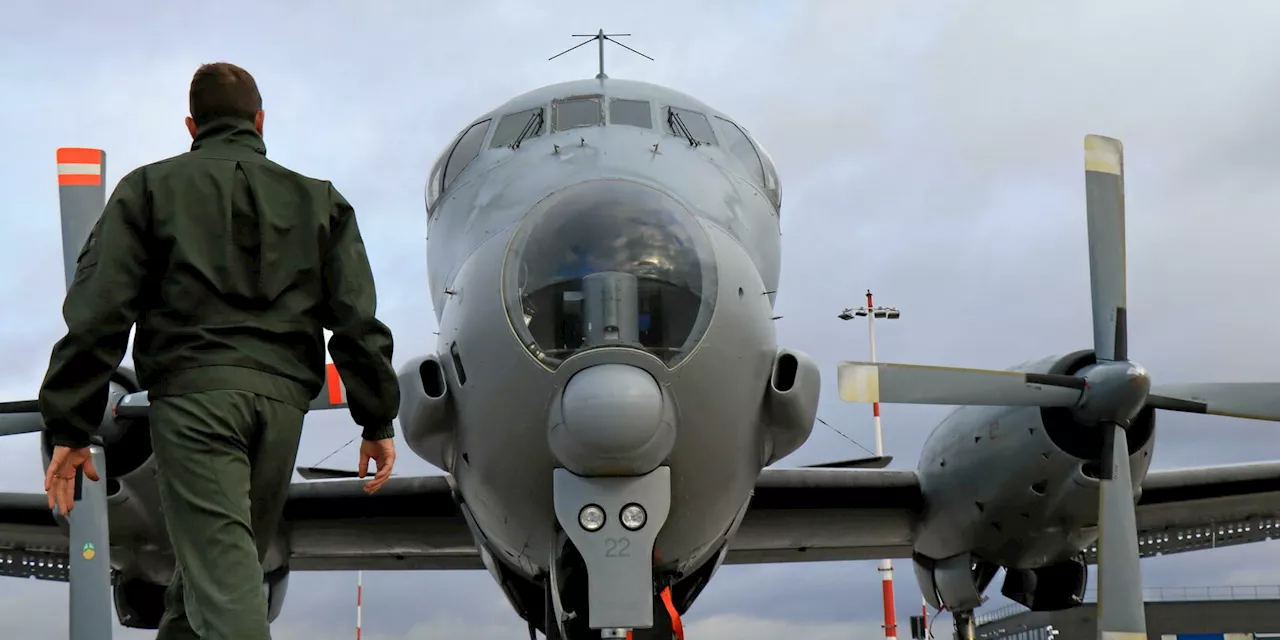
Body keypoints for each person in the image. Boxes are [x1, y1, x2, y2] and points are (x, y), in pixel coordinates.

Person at [37, 61, 401, 639]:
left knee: (222, 581)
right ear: (260, 121)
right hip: (282, 411)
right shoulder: (321, 201)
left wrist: (72, 424)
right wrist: (377, 417)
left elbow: (100, 313)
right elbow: (357, 318)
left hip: (197, 401)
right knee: (214, 577)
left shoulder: (149, 189)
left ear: (191, 125)